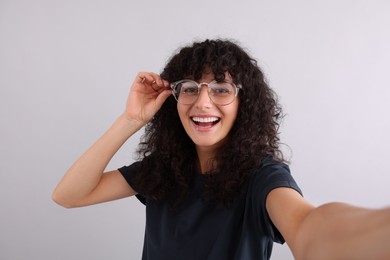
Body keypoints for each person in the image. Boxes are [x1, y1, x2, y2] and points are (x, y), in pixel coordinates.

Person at [52, 39, 390, 260]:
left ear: (244, 103)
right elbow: (69, 195)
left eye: (221, 89)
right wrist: (131, 119)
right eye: (188, 88)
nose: (202, 102)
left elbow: (310, 227)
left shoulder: (263, 177)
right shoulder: (164, 170)